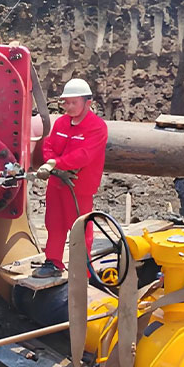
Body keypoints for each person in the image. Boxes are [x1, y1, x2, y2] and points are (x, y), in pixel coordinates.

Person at [33, 78, 108, 279]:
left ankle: (81, 271)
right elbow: (48, 145)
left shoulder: (96, 127)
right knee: (54, 224)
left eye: (74, 102)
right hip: (57, 183)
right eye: (66, 102)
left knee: (80, 230)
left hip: (79, 187)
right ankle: (53, 262)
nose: (69, 107)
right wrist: (52, 164)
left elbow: (84, 155)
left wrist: (56, 164)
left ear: (88, 103)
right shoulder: (61, 122)